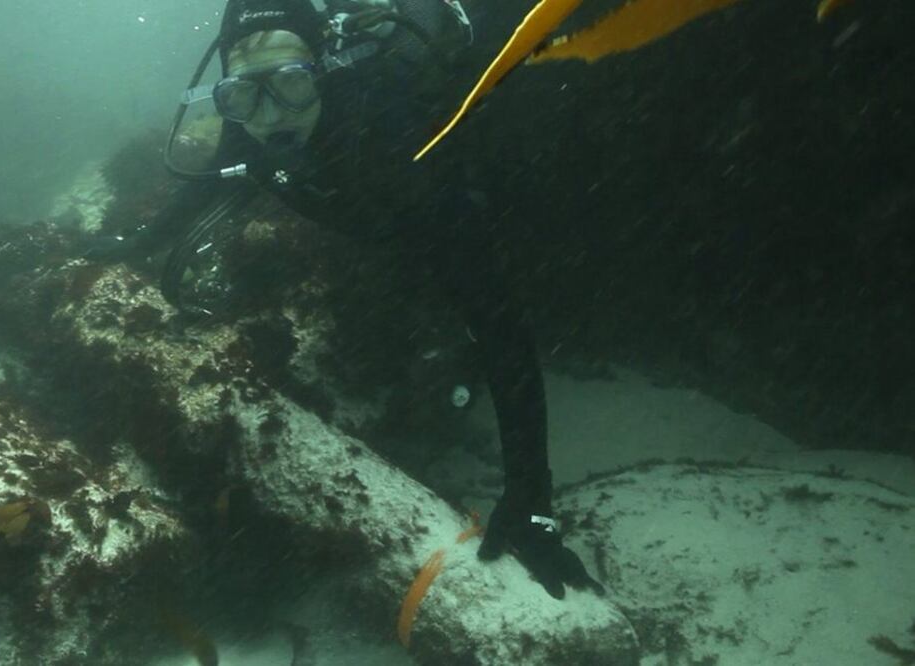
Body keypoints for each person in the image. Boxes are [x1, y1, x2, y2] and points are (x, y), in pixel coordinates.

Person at [92, 0, 603, 599]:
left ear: (324, 74)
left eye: (290, 84)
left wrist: (531, 500)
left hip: (454, 190)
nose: (270, 117)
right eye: (243, 96)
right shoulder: (250, 119)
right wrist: (133, 241)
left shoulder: (398, 132)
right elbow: (209, 183)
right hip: (385, 221)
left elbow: (501, 328)